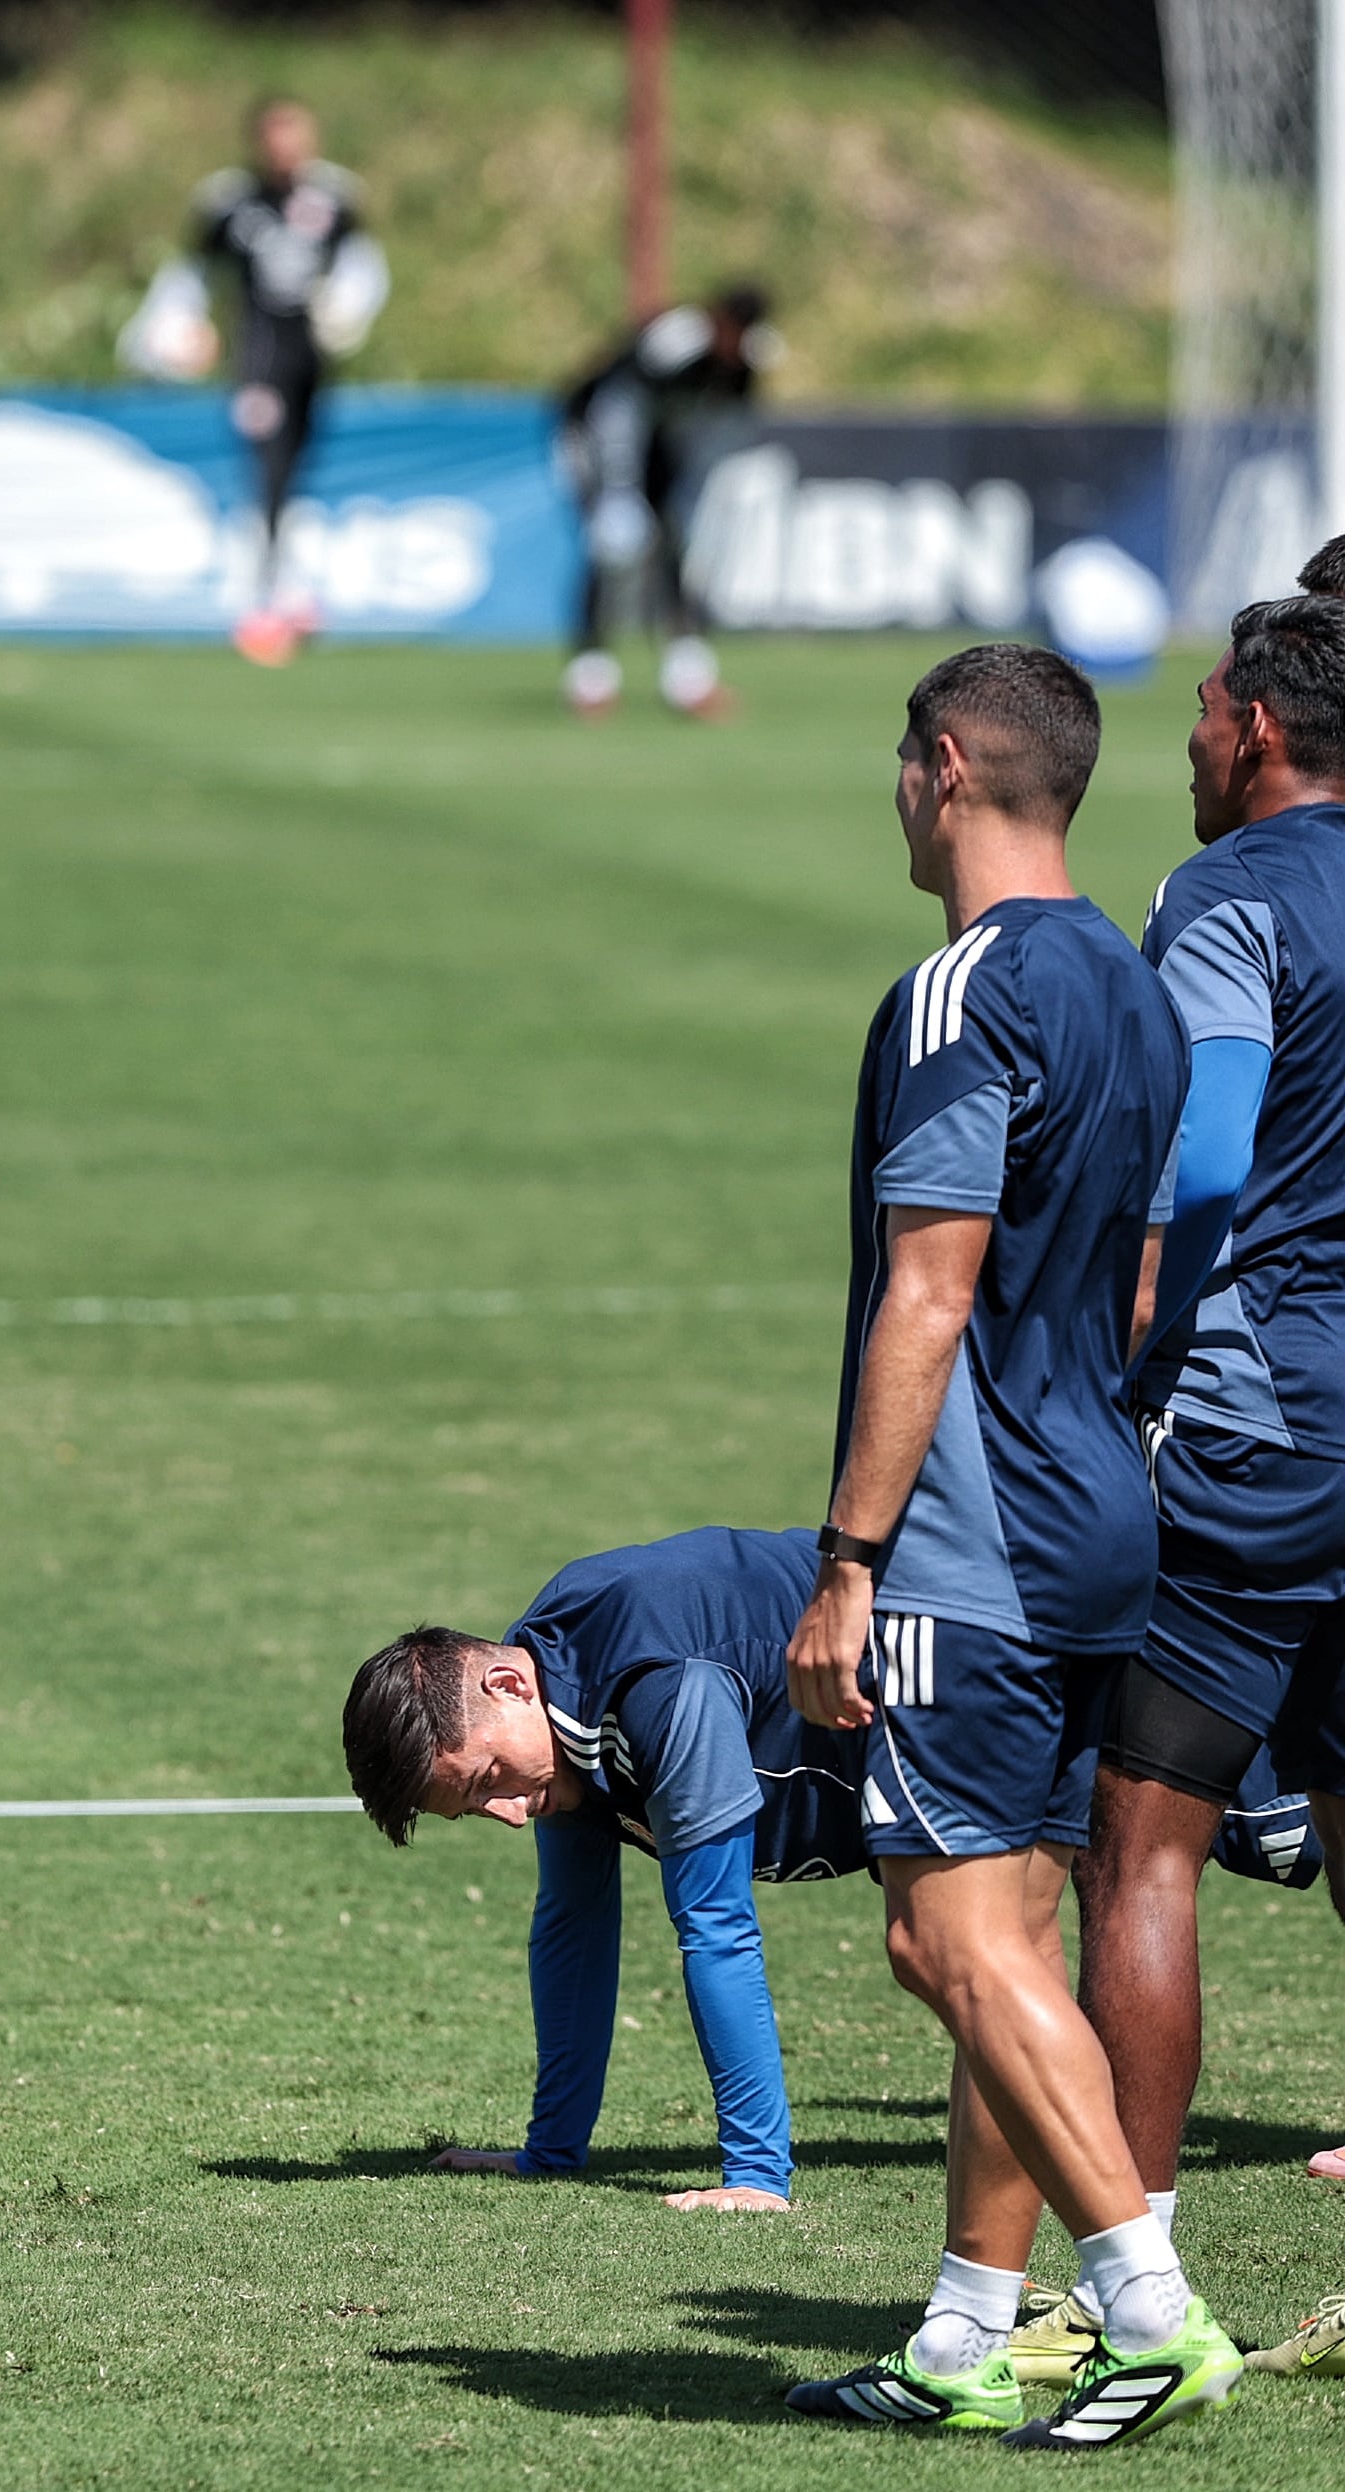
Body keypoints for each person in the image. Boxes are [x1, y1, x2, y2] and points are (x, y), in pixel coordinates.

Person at [775, 645, 1240, 2445]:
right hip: (1098, 1508)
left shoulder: (955, 992)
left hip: (968, 1538)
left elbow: (927, 1288)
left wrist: (845, 1558)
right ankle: (965, 2333)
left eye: (901, 766)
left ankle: (1147, 2307)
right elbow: (1142, 1266)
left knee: (947, 1941)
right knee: (1011, 1939)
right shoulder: (1130, 984)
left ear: (947, 766)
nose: (896, 796)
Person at [1076, 598, 1345, 2264]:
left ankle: (1131, 2268)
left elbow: (1209, 1158)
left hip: (1264, 1426)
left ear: (1252, 727)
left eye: (1195, 707)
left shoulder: (1226, 892)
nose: (1181, 737)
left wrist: (1132, 1358)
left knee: (1141, 1836)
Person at [346, 1530, 866, 2212]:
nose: (509, 1814)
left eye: (487, 1780)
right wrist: (548, 2152)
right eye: (474, 1808)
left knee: (943, 1949)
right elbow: (574, 1925)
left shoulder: (662, 1687)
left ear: (506, 1685)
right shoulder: (547, 1693)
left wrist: (755, 2177)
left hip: (957, 1665)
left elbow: (717, 1925)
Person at [120, 98, 387, 667]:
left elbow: (363, 268)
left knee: (295, 472)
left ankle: (288, 592)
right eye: (277, 134)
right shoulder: (229, 200)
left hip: (310, 361)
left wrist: (346, 312)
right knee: (266, 469)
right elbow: (191, 274)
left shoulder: (335, 196)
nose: (287, 146)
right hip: (256, 359)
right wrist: (177, 329)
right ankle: (261, 602)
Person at [559, 286, 772, 721]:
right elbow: (614, 410)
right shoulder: (673, 343)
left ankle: (688, 678)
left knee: (673, 547)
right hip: (596, 437)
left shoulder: (749, 359)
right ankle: (590, 679)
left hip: (660, 445)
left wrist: (691, 481)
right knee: (613, 548)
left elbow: (719, 425)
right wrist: (618, 488)